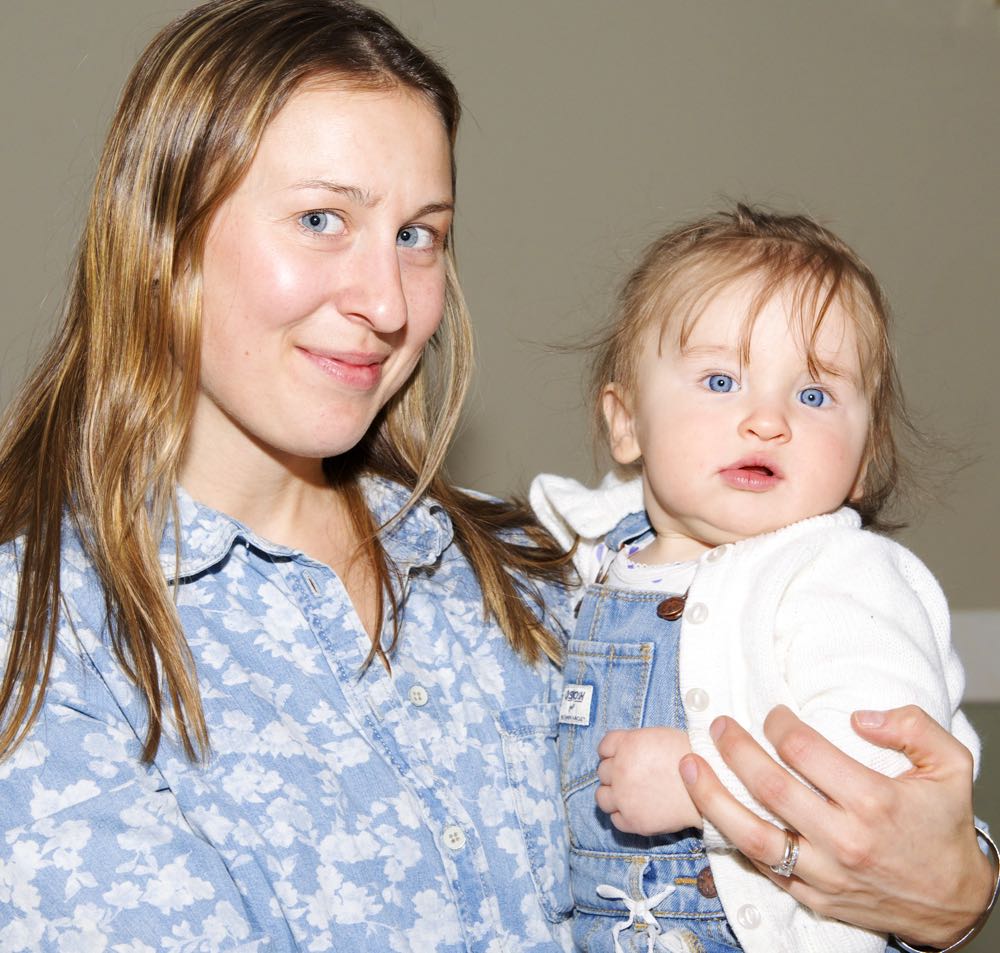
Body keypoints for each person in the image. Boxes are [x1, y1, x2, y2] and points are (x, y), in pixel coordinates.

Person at [0, 2, 993, 950]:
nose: (387, 302)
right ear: (162, 239)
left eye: (417, 235)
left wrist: (953, 886)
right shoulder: (43, 638)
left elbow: (806, 851)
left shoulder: (534, 568)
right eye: (321, 219)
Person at [530, 205, 994, 953]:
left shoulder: (842, 578)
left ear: (864, 457)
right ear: (626, 423)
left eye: (813, 396)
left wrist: (701, 784)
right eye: (721, 379)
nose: (768, 420)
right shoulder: (597, 555)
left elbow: (883, 777)